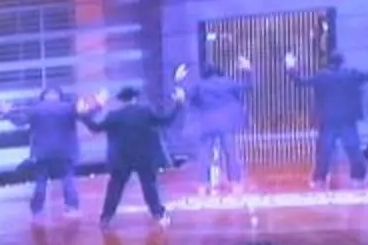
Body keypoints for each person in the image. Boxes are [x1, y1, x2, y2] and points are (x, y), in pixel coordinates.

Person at [282, 43, 368, 187]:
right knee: (353, 150)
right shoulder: (351, 74)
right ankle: (358, 178)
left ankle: (319, 179)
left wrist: (290, 66)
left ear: (329, 63)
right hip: (347, 120)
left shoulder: (322, 76)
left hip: (329, 121)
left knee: (324, 153)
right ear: (342, 62)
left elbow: (299, 81)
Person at [79, 85, 181, 221]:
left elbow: (95, 128)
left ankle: (106, 217)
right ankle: (157, 213)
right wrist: (179, 104)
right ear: (135, 99)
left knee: (115, 189)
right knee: (149, 187)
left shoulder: (114, 116)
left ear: (122, 100)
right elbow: (166, 121)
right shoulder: (145, 112)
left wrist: (84, 115)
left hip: (122, 158)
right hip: (144, 157)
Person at [172, 56, 257, 195]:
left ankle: (202, 184)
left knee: (204, 155)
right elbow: (249, 86)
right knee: (230, 153)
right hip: (226, 124)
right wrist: (248, 69)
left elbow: (184, 95)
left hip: (207, 125)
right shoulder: (227, 83)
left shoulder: (199, 85)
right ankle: (235, 183)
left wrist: (178, 80)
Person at [4, 85, 84, 215]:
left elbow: (20, 122)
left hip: (41, 153)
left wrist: (7, 113)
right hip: (65, 152)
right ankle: (72, 207)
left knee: (41, 182)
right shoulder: (68, 108)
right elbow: (84, 115)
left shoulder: (35, 109)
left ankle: (37, 209)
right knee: (67, 180)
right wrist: (98, 104)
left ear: (43, 96)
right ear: (59, 95)